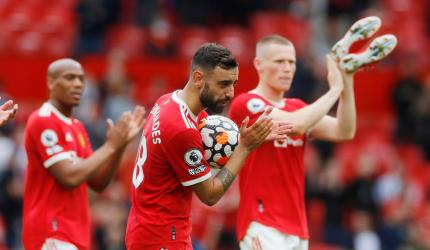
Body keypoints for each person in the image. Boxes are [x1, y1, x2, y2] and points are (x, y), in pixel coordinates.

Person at [125, 43, 287, 249]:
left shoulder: (168, 101)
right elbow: (210, 195)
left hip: (146, 227)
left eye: (233, 84)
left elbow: (207, 131)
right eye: (223, 84)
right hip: (163, 236)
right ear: (198, 78)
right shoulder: (182, 131)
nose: (230, 93)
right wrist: (245, 147)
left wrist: (247, 136)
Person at [228, 34, 357, 250]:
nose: (287, 68)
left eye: (292, 62)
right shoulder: (247, 104)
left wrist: (347, 82)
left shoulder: (297, 106)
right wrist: (334, 90)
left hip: (297, 226)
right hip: (262, 223)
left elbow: (344, 131)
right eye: (279, 61)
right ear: (259, 64)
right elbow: (297, 125)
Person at [22, 58, 145, 250]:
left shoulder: (77, 127)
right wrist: (111, 146)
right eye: (69, 78)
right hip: (51, 232)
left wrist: (119, 147)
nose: (78, 84)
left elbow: (98, 183)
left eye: (81, 79)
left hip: (74, 233)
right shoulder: (43, 120)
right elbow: (69, 177)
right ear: (51, 82)